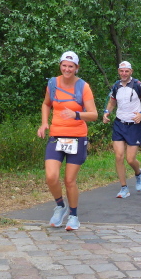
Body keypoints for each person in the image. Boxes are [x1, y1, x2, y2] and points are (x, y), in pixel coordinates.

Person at [37, 51, 97, 231]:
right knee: (51, 176)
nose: (67, 69)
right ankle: (60, 206)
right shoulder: (53, 83)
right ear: (60, 66)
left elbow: (93, 114)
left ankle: (73, 216)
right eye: (64, 65)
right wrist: (44, 123)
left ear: (76, 68)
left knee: (69, 180)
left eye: (71, 66)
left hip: (77, 137)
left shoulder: (83, 87)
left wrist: (76, 114)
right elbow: (46, 104)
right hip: (56, 136)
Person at [103, 61, 141, 198]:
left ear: (131, 72)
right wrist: (106, 112)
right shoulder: (116, 86)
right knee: (119, 156)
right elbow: (112, 102)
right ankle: (124, 188)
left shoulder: (137, 85)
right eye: (121, 71)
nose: (124, 73)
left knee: (130, 159)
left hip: (134, 125)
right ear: (118, 71)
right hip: (119, 124)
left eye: (126, 71)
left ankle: (138, 173)